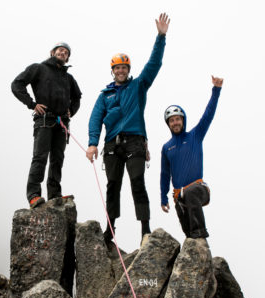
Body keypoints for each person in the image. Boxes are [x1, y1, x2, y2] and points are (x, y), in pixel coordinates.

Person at [86, 13, 170, 243]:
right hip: (112, 143)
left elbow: (154, 64)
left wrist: (160, 37)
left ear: (128, 69)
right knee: (113, 185)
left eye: (124, 67)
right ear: (112, 71)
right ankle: (110, 229)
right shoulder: (105, 95)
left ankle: (145, 229)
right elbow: (95, 119)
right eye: (117, 68)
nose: (121, 71)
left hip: (134, 141)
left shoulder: (138, 86)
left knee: (137, 182)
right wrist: (93, 143)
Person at [11, 42, 82, 208]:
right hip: (44, 120)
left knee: (57, 159)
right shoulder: (38, 68)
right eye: (60, 51)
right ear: (52, 52)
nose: (63, 53)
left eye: (66, 53)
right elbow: (17, 84)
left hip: (62, 122)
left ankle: (54, 195)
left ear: (67, 58)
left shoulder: (68, 78)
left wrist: (72, 110)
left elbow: (77, 97)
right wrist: (31, 103)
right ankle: (34, 195)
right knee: (40, 157)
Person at [160, 75, 223, 239]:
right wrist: (163, 197)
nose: (175, 123)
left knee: (191, 194)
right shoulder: (167, 148)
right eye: (172, 120)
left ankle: (201, 233)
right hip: (179, 196)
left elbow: (208, 115)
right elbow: (165, 174)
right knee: (189, 235)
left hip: (199, 189)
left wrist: (216, 90)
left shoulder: (195, 135)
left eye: (178, 119)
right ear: (169, 124)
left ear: (183, 120)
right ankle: (196, 247)